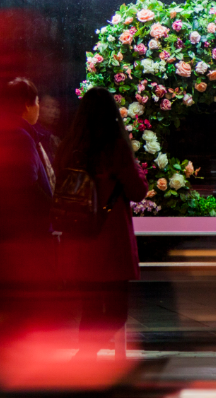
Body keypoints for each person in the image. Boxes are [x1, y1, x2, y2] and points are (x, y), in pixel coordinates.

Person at [53, 87, 149, 359]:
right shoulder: (115, 147)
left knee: (90, 311)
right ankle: (83, 357)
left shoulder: (70, 146)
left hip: (79, 240)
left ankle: (85, 367)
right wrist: (135, 164)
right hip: (110, 242)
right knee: (117, 313)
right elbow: (138, 191)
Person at [0, 77, 54, 239]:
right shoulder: (21, 137)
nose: (38, 107)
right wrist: (52, 208)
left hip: (7, 226)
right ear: (26, 105)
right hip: (27, 230)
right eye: (37, 102)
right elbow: (28, 186)